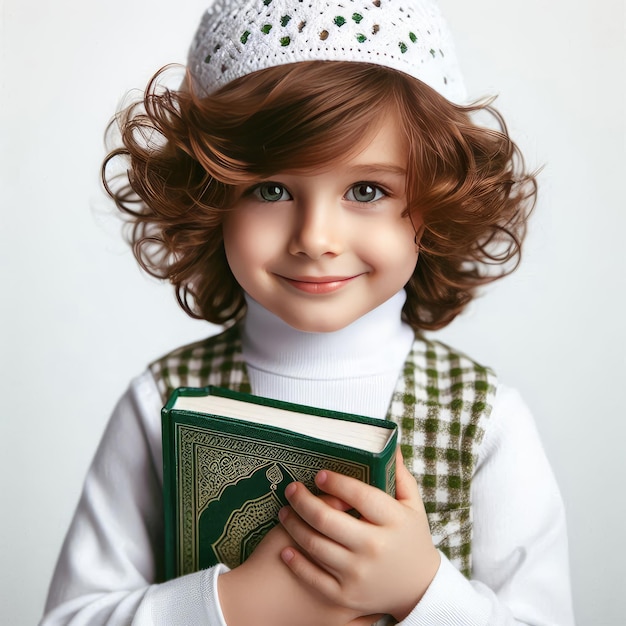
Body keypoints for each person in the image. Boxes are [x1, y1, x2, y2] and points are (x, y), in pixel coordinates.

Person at [40, 0, 575, 624]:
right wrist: (234, 604)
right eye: (271, 190)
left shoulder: (484, 420)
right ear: (211, 198)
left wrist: (424, 593)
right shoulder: (158, 403)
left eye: (367, 190)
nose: (316, 237)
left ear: (433, 201)